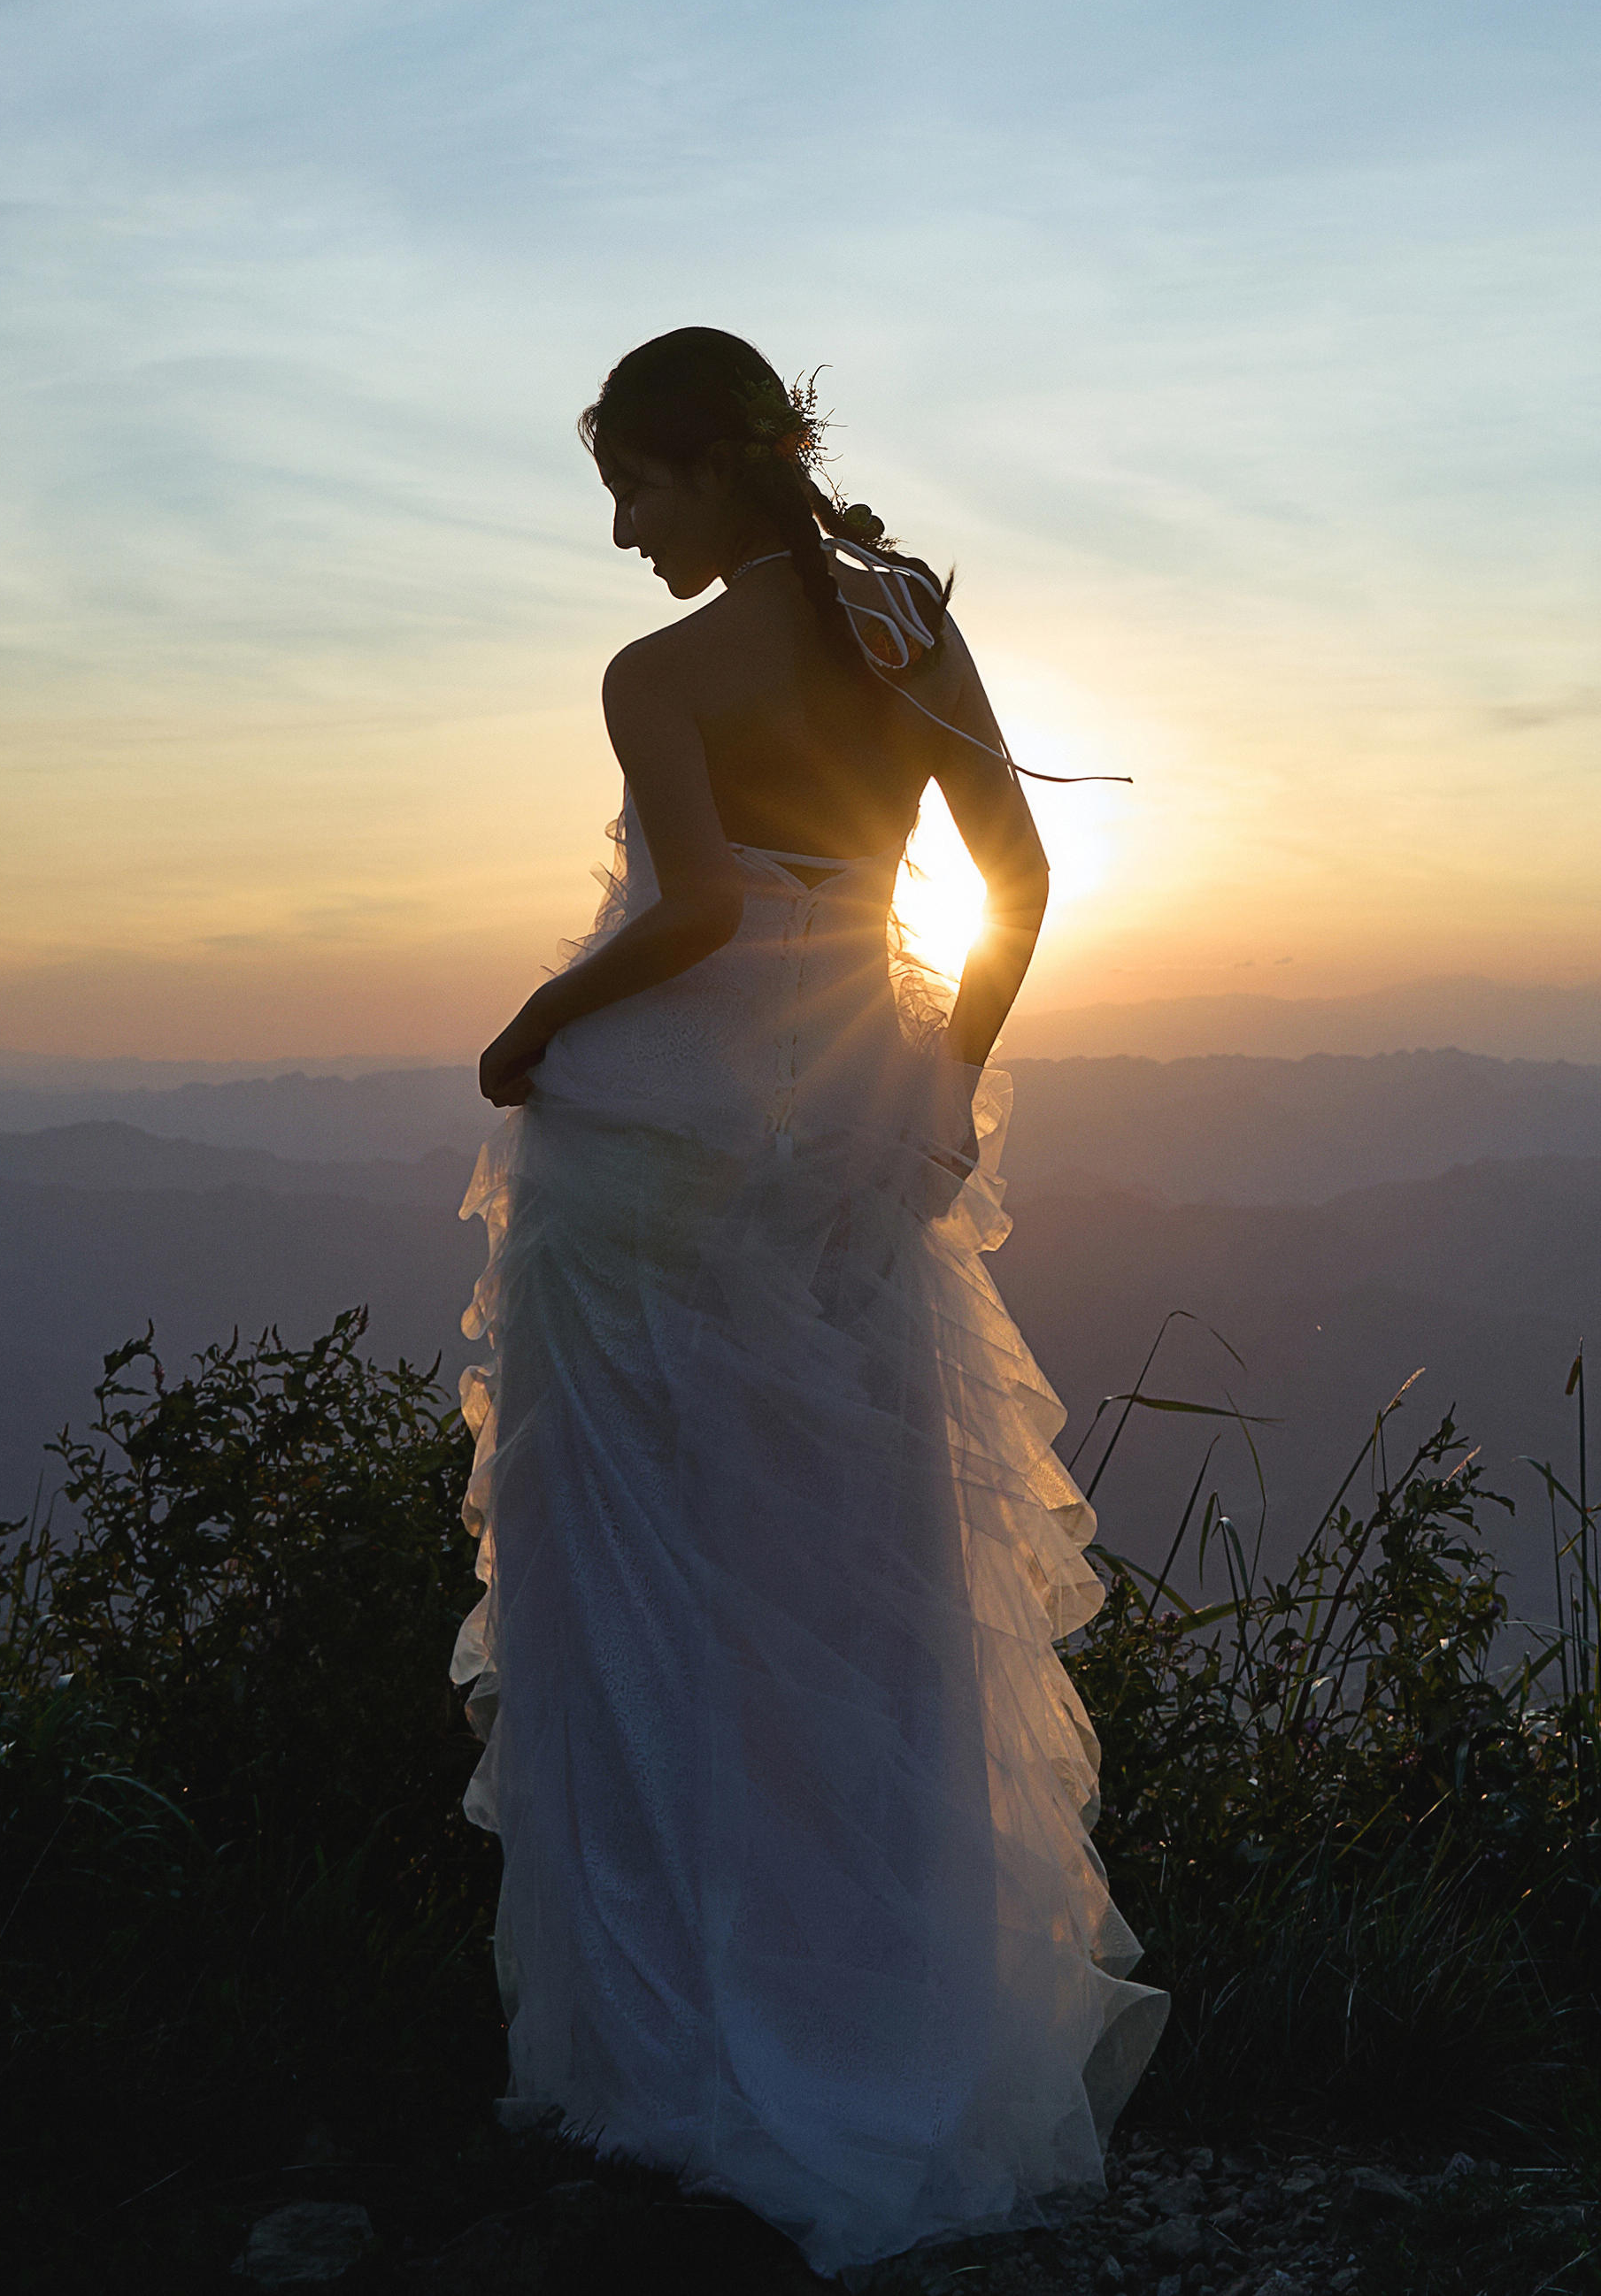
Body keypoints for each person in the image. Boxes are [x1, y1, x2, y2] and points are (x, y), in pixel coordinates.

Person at [449, 326, 1161, 2273]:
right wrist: (934, 1086)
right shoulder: (909, 620)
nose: (618, 536)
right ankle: (892, 2025)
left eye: (634, 488)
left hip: (655, 1134)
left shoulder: (658, 673)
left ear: (708, 470)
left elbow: (685, 914)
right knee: (860, 1581)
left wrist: (529, 1026)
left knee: (647, 1589)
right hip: (856, 1113)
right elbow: (1011, 874)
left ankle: (686, 2060)